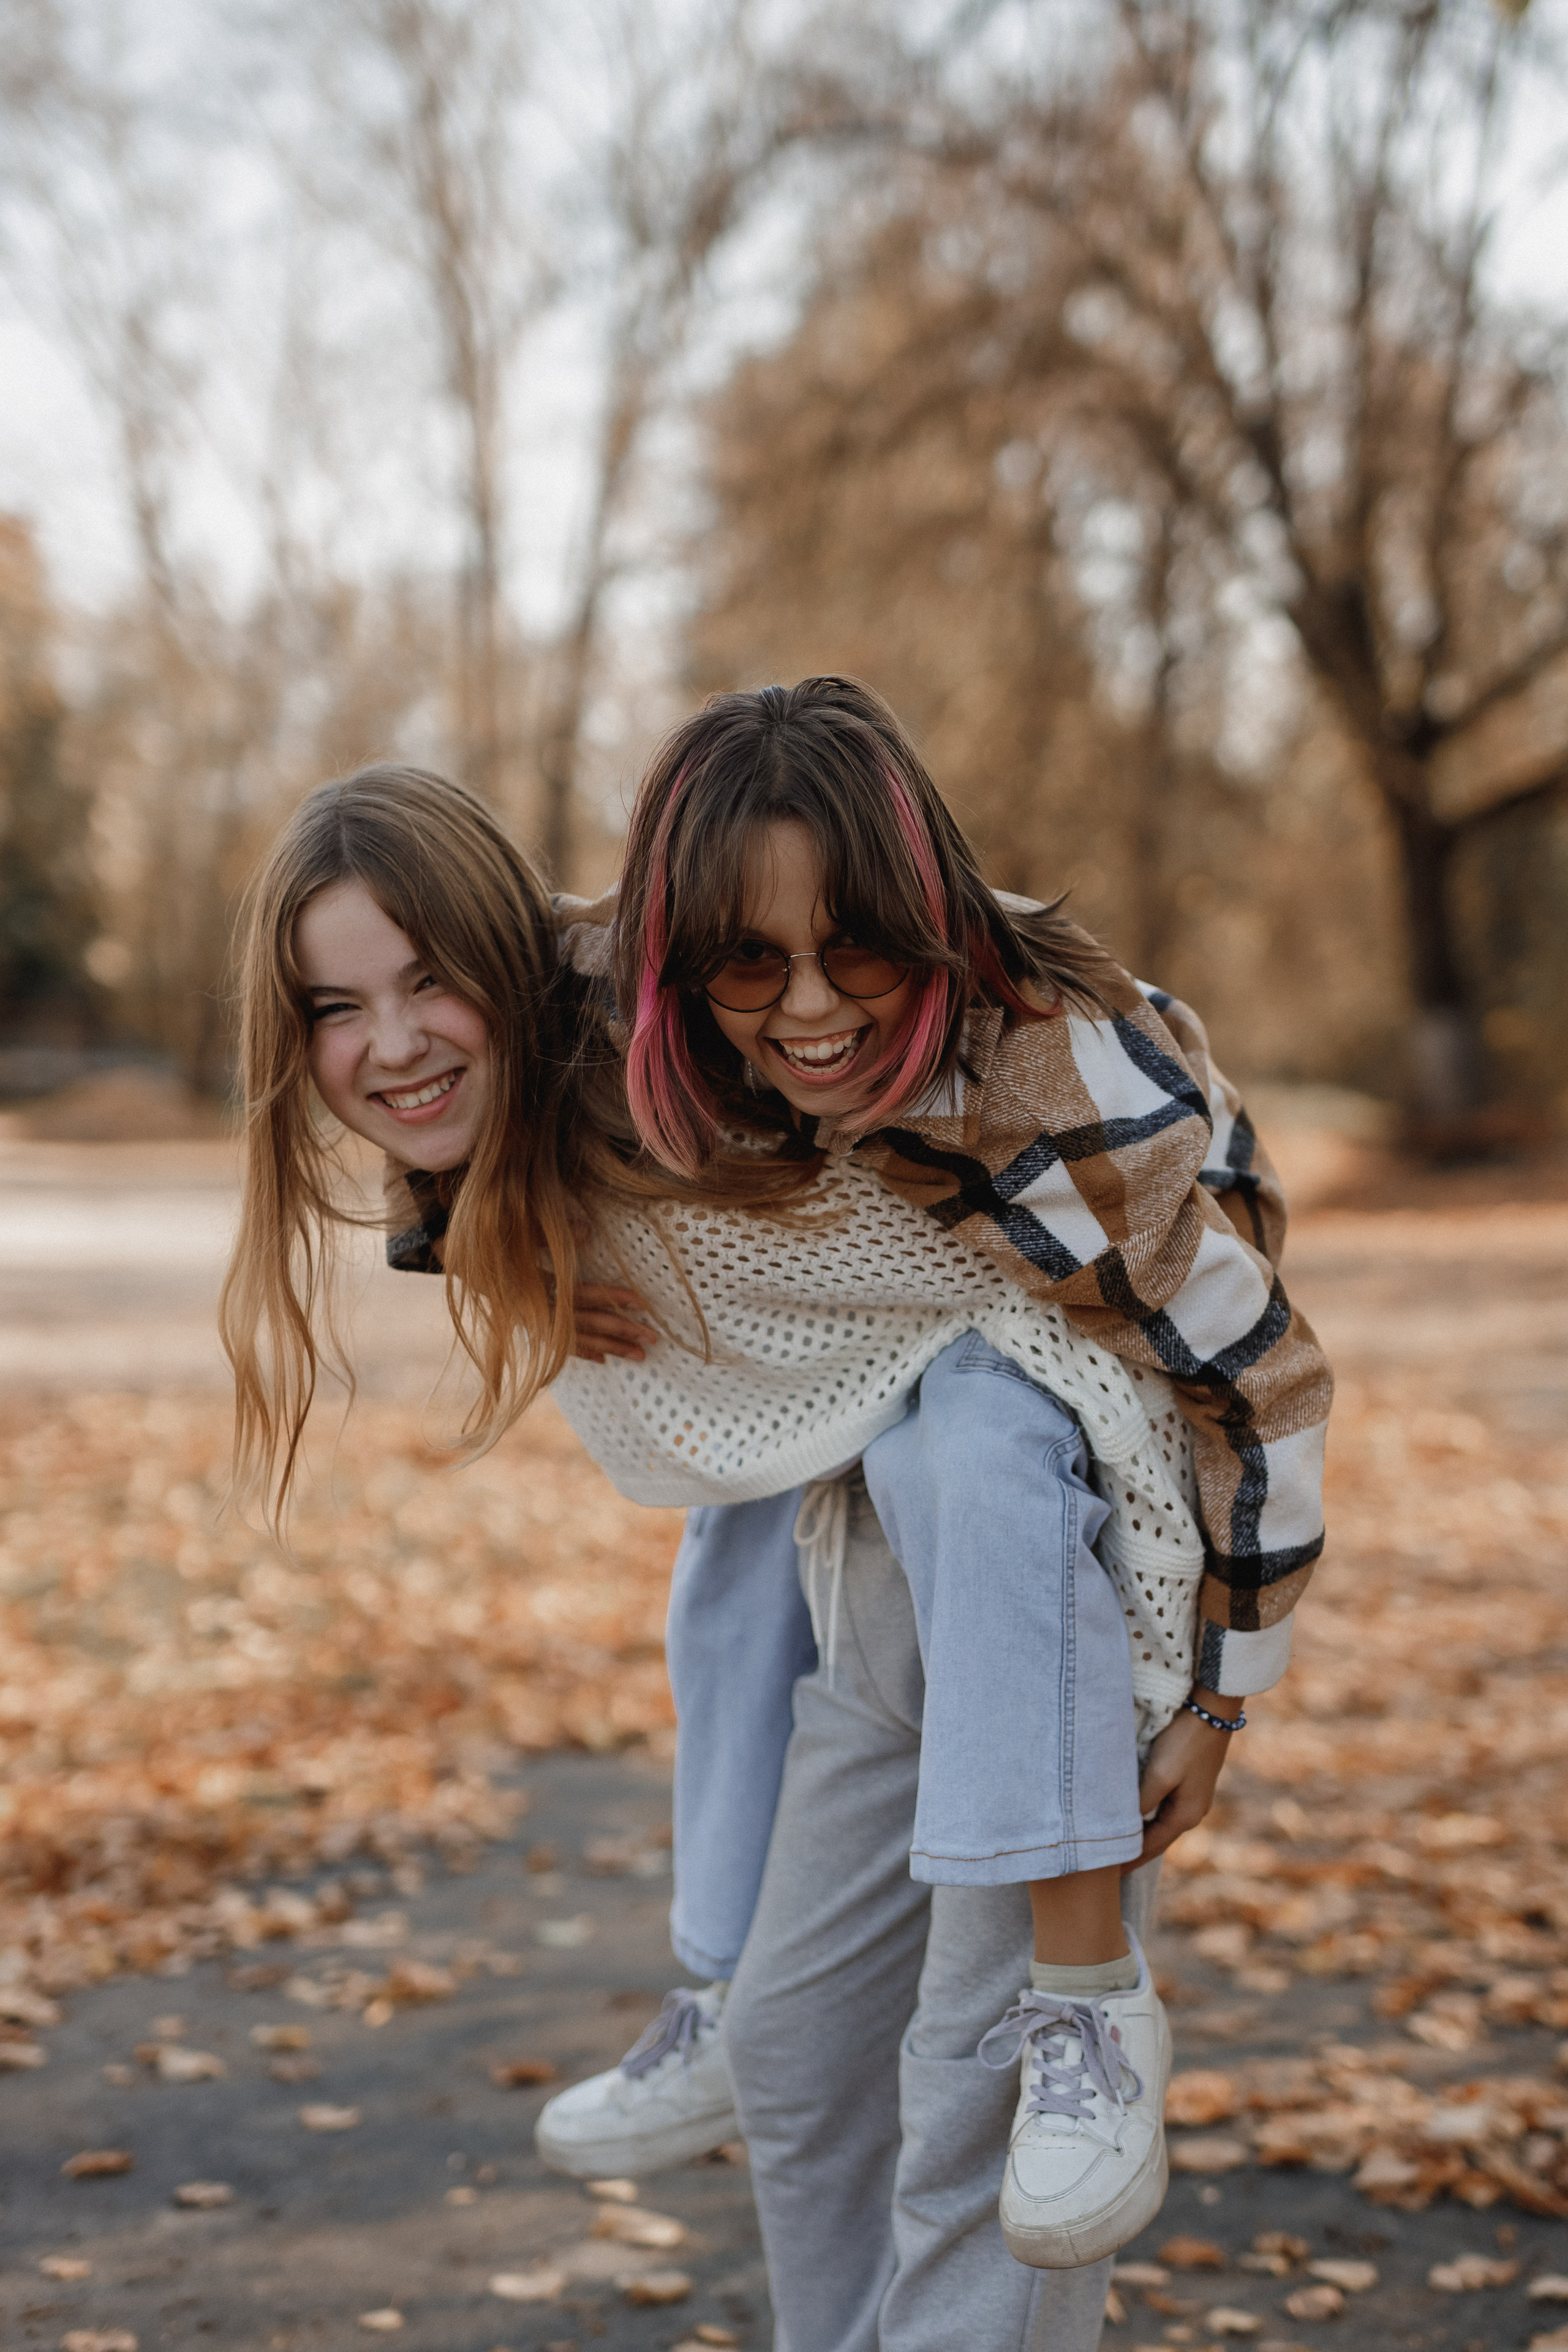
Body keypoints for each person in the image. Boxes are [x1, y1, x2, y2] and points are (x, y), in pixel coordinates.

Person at [219, 750, 1329, 2351]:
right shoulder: (591, 1044)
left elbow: (1256, 1370)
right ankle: (724, 1999)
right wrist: (473, 1234)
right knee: (807, 2064)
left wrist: (1222, 1698)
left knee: (975, 2072)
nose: (386, 1038)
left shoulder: (998, 1070)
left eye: (425, 984)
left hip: (1039, 1531)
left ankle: (1090, 2009)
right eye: (334, 1008)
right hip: (852, 1539)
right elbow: (451, 1115)